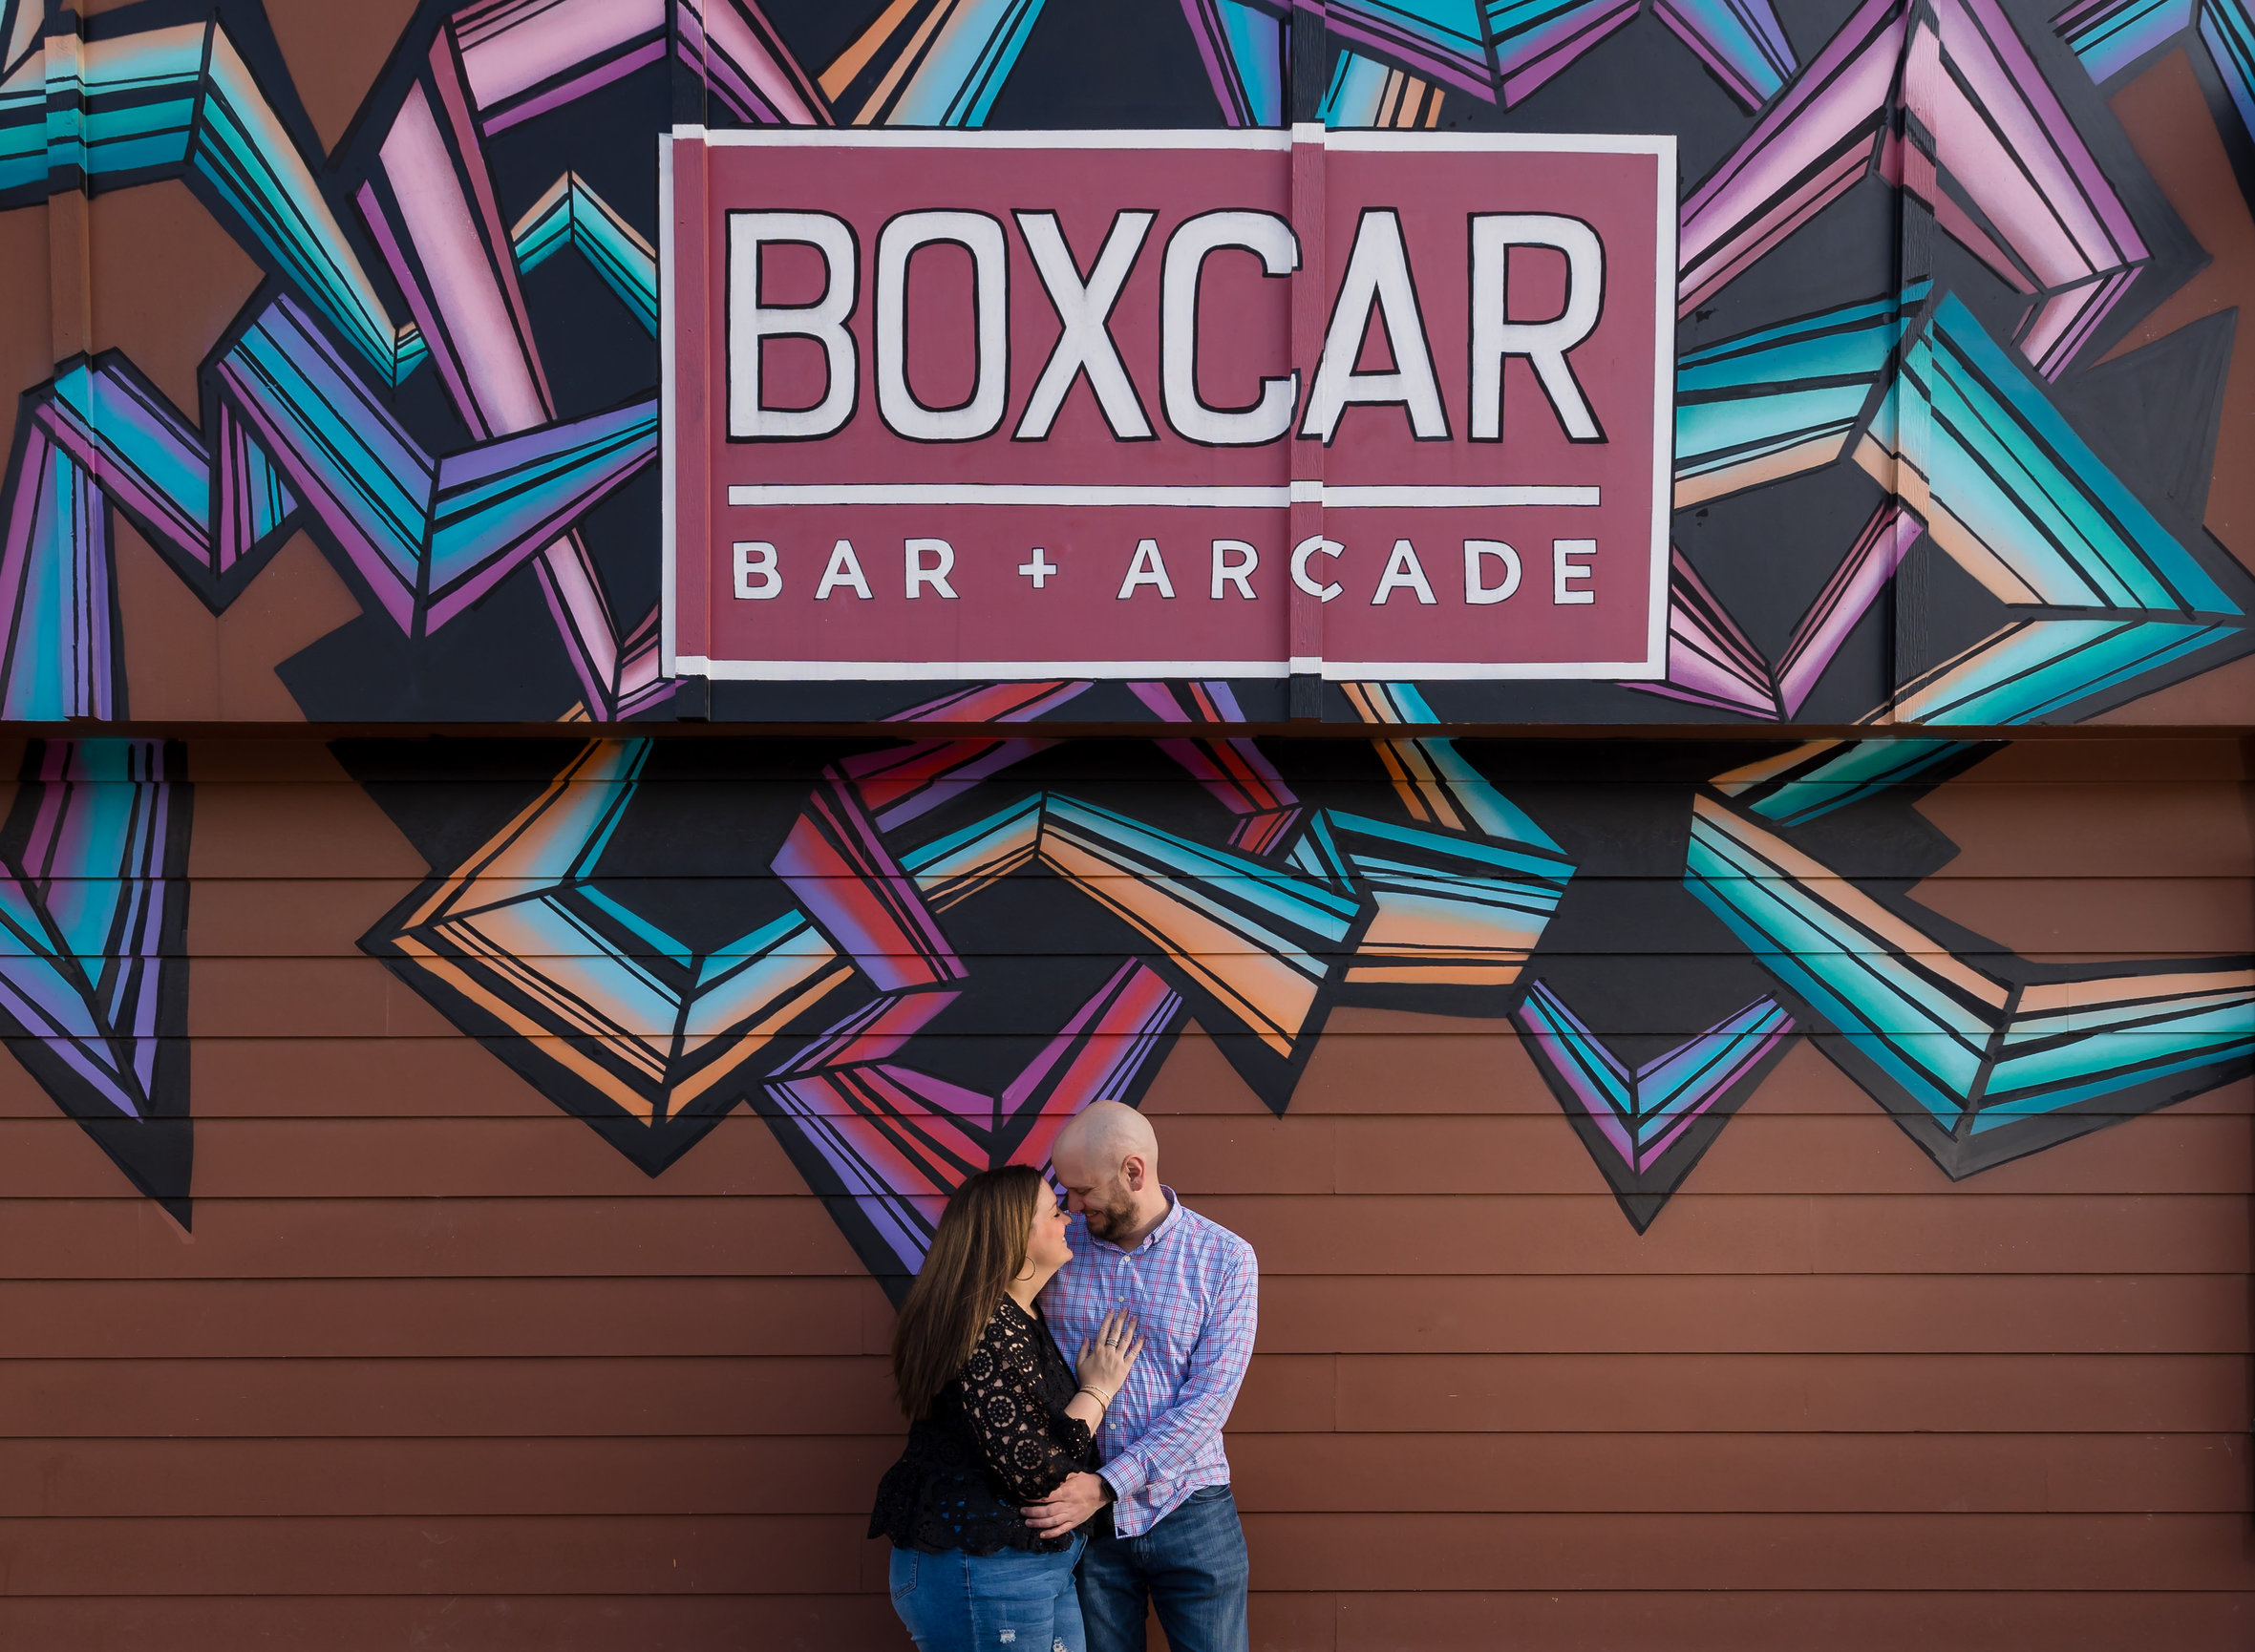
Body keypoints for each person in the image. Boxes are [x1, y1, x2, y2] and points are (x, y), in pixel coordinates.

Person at [870, 1164, 1145, 1652]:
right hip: (982, 1570)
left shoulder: (1020, 1317)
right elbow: (1037, 1470)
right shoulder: (985, 1331)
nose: (1069, 1220)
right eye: (1055, 1211)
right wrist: (1099, 1390)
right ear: (1016, 1235)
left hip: (1028, 1568)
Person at [1023, 1101, 1260, 1652]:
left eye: (1082, 1191)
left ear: (1134, 1172)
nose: (1072, 1206)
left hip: (1191, 1509)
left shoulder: (1224, 1259)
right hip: (1083, 1519)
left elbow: (1210, 1401)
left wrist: (1107, 1486)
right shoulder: (1055, 1248)